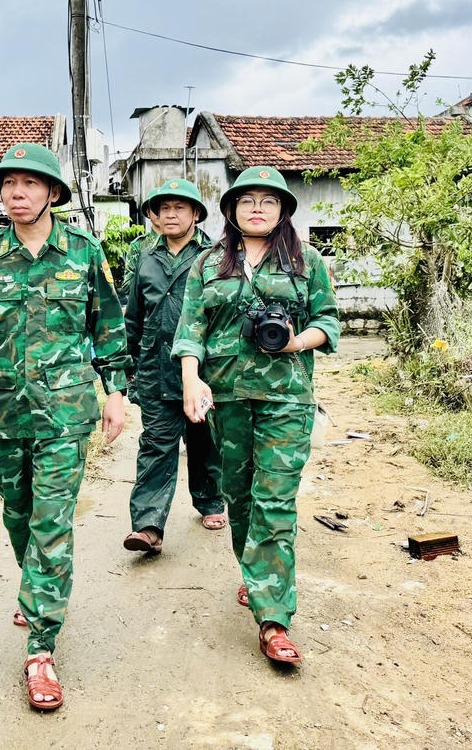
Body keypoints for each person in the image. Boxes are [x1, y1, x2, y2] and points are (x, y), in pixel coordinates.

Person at [0, 143, 131, 711]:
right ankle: (36, 582)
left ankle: (41, 646)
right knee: (17, 510)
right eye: (8, 184)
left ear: (52, 193)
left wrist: (115, 392)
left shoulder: (84, 254)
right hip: (2, 411)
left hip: (66, 411)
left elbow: (109, 329)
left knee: (51, 520)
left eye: (28, 183)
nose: (16, 193)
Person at [172, 166, 340, 665]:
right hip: (225, 397)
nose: (258, 208)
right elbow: (190, 328)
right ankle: (256, 573)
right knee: (240, 497)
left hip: (286, 397)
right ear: (231, 210)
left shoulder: (306, 261)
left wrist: (295, 341)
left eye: (269, 200)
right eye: (247, 201)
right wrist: (190, 378)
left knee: (275, 499)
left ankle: (273, 620)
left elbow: (328, 321)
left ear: (284, 209)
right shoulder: (207, 263)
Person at [122, 178, 226, 553]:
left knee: (204, 440)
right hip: (155, 368)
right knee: (156, 444)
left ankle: (210, 500)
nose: (170, 214)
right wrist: (129, 368)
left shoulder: (215, 255)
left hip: (203, 370)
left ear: (196, 214)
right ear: (154, 215)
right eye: (163, 208)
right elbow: (133, 317)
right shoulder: (146, 259)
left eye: (179, 207)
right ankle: (148, 525)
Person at [118, 189, 162, 306]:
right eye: (155, 208)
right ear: (148, 213)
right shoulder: (139, 245)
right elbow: (127, 285)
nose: (160, 213)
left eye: (164, 208)